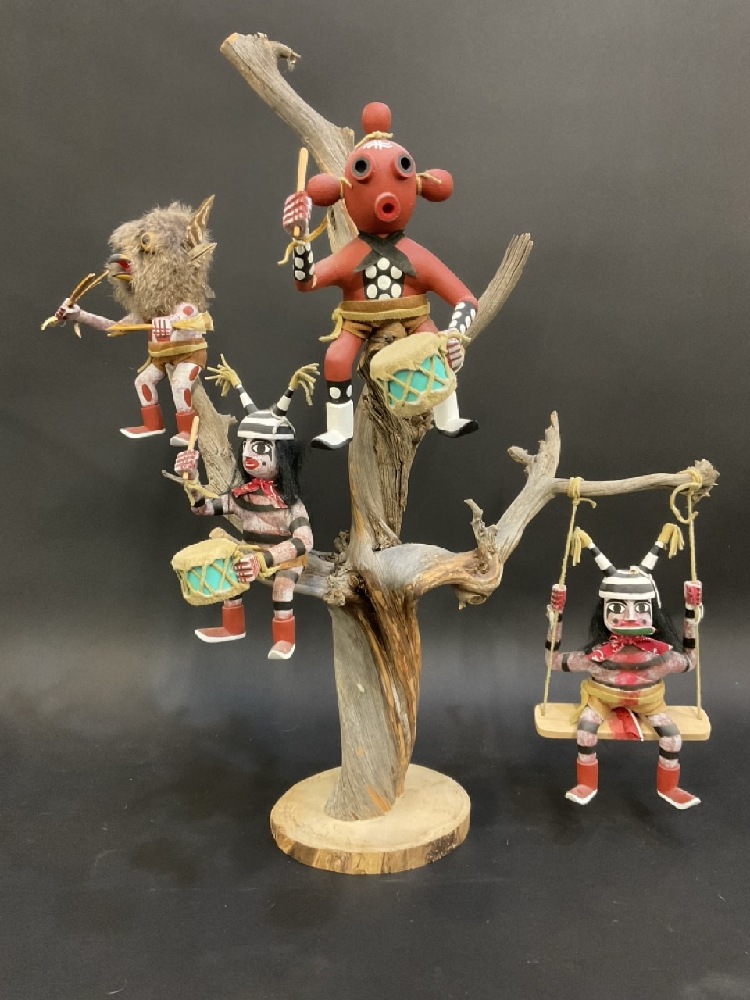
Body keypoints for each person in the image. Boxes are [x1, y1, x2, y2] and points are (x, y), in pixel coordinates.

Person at [545, 525, 703, 809]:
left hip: (649, 702)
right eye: (618, 608)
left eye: (640, 608)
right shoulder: (599, 655)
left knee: (672, 738)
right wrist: (556, 618)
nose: (630, 616)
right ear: (604, 611)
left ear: (651, 611)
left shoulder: (660, 656)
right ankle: (587, 783)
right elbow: (553, 662)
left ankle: (669, 787)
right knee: (585, 731)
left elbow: (690, 663)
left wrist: (692, 613)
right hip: (601, 699)